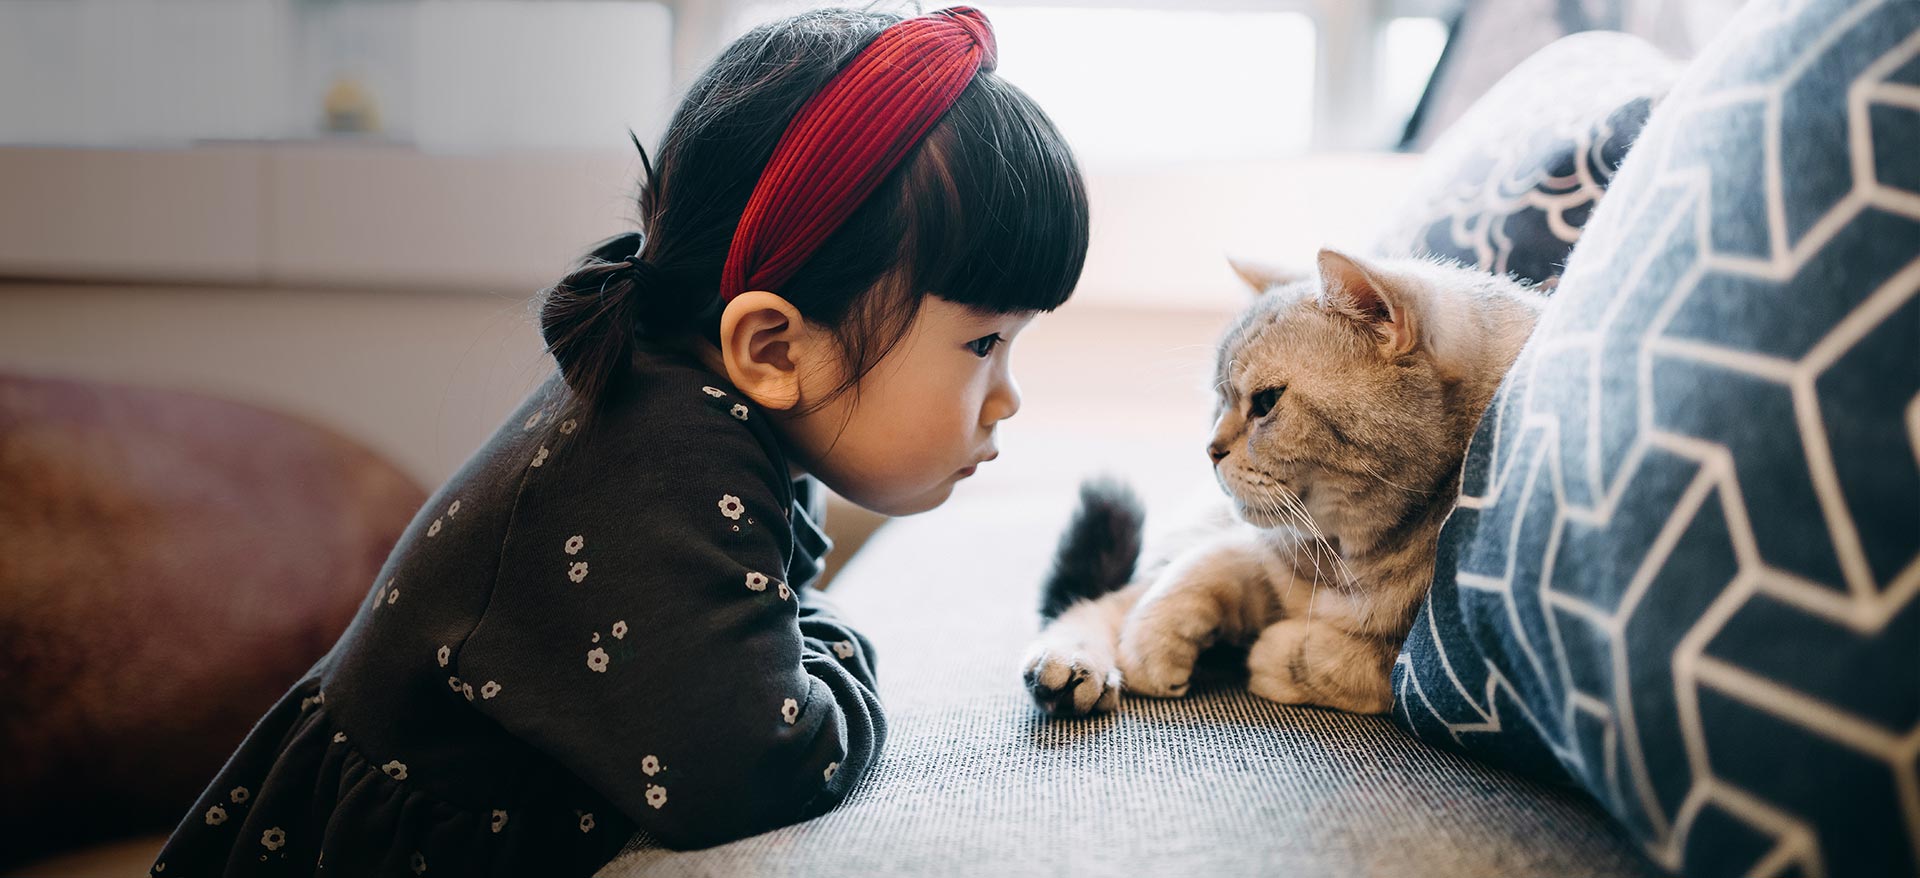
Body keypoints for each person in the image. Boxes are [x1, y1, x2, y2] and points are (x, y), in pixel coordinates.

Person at [150, 6, 1089, 876]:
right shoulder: (664, 462)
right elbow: (757, 769)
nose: (1005, 397)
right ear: (771, 347)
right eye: (982, 344)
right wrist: (844, 657)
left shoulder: (721, 408)